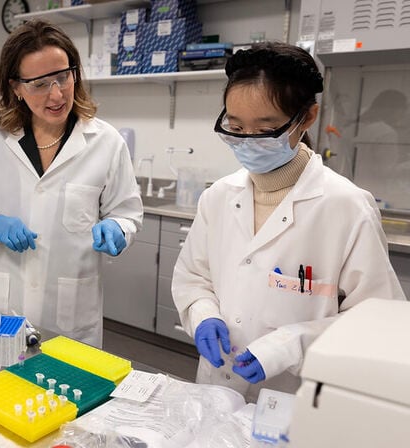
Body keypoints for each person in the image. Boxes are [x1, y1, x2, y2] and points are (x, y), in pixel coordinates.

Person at [171, 41, 406, 402]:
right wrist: (203, 314)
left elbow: (377, 322)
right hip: (216, 390)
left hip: (296, 399)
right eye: (235, 126)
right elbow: (193, 277)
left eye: (265, 129)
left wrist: (289, 346)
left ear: (307, 118)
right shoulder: (218, 197)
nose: (247, 142)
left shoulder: (346, 207)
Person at [0, 19, 142, 348]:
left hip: (70, 313)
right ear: (16, 87)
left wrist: (117, 228)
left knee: (68, 394)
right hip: (2, 303)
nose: (56, 94)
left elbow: (126, 212)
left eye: (62, 77)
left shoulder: (107, 142)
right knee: (1, 390)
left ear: (75, 74)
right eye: (40, 84)